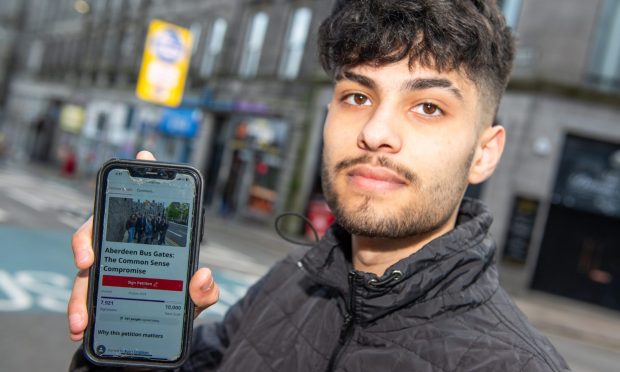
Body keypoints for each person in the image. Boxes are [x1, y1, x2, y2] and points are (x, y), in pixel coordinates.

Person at [68, 1, 570, 370]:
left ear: (484, 153)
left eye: (428, 107)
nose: (375, 131)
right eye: (356, 95)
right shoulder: (287, 282)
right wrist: (123, 348)